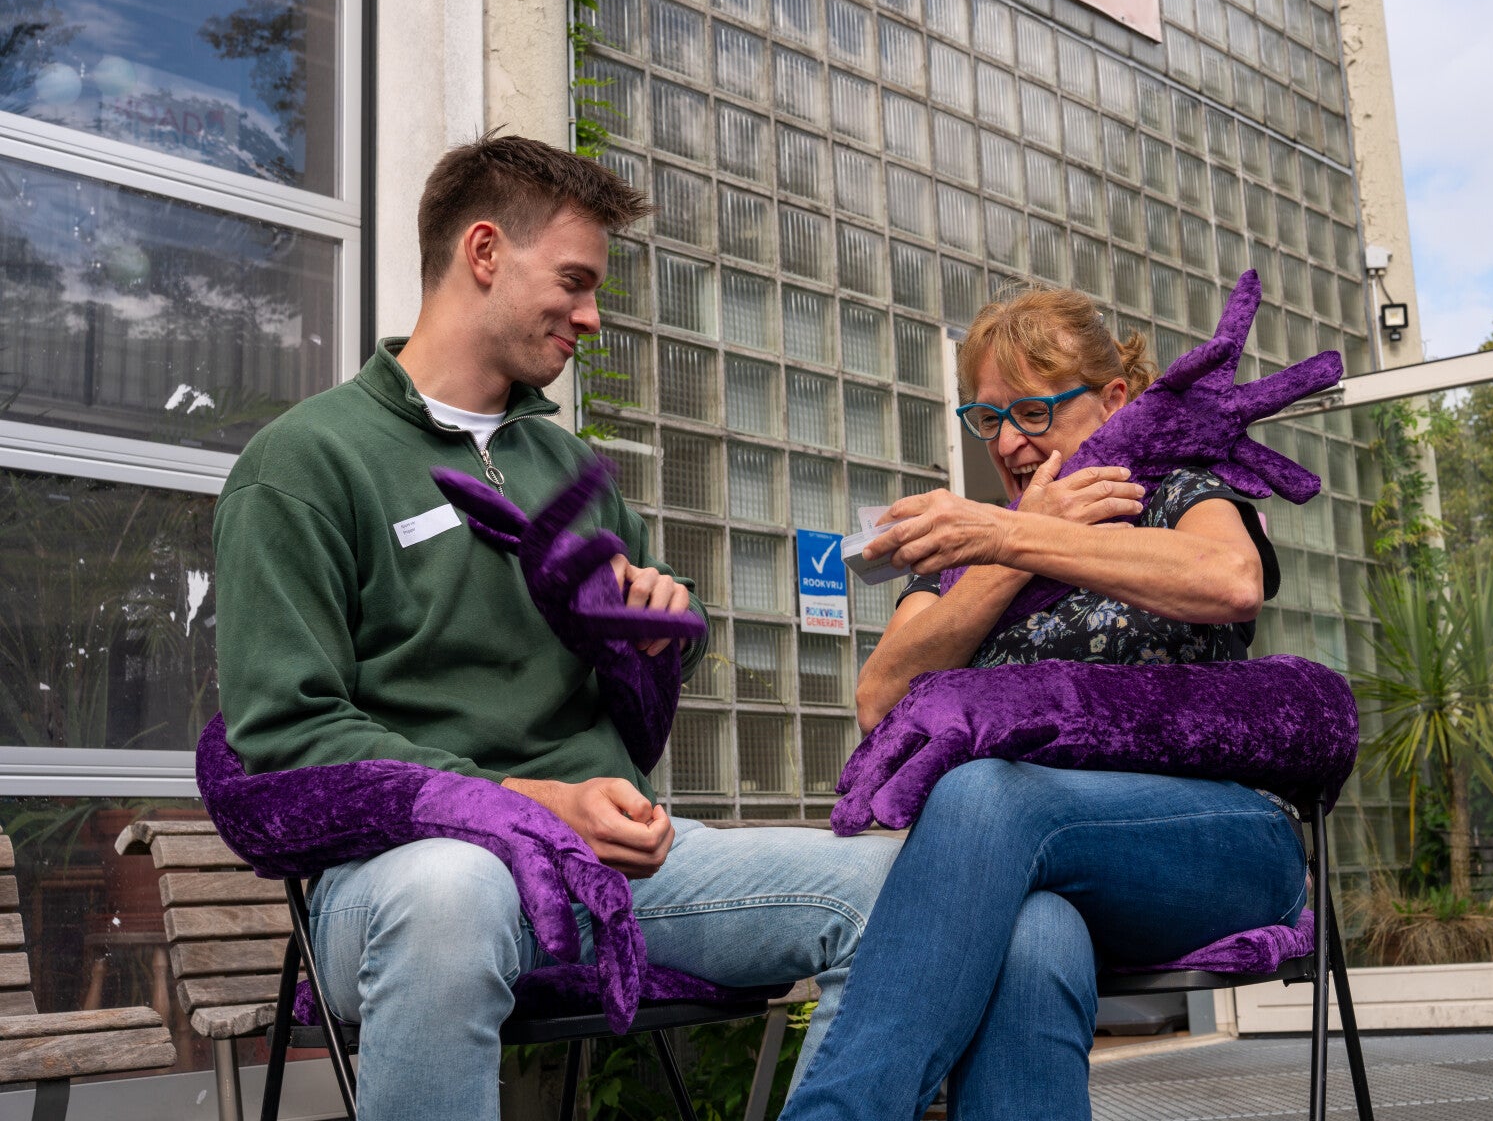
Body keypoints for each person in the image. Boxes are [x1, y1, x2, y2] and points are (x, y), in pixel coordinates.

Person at [215, 135, 925, 1120]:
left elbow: (656, 642)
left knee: (910, 883)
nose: (591, 315)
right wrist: (531, 803)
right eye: (575, 281)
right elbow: (286, 734)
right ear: (483, 251)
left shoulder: (564, 466)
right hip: (397, 881)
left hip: (606, 870)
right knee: (452, 888)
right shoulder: (304, 462)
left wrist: (657, 625)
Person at [777, 287, 1311, 1121]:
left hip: (1220, 846)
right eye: (986, 419)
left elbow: (1231, 582)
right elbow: (879, 699)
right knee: (1034, 935)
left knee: (985, 792)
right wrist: (1005, 553)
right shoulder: (969, 548)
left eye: (1032, 411)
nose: (1008, 443)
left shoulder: (1175, 492)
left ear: (1114, 400)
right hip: (1042, 869)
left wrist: (1018, 534)